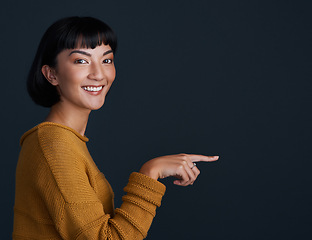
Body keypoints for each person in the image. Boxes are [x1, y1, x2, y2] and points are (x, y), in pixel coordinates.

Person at [13, 16, 218, 240]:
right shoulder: (54, 144)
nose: (99, 74)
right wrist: (151, 172)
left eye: (107, 60)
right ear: (51, 74)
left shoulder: (66, 141)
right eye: (81, 61)